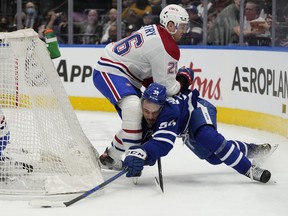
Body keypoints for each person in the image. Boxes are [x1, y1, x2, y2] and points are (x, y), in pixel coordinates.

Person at [93, 4, 191, 170]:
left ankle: (110, 157)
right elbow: (167, 88)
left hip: (125, 73)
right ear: (171, 25)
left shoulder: (154, 29)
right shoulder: (167, 46)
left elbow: (150, 74)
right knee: (133, 109)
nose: (184, 30)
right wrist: (183, 80)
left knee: (139, 122)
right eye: (182, 26)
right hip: (110, 70)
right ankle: (134, 158)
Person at [123, 82, 277, 183]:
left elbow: (163, 144)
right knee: (215, 158)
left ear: (162, 107)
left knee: (207, 137)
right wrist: (141, 158)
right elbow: (148, 146)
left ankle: (249, 169)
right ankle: (256, 150)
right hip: (186, 129)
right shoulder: (138, 111)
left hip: (197, 110)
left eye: (154, 112)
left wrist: (142, 152)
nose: (150, 116)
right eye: (146, 111)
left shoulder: (169, 111)